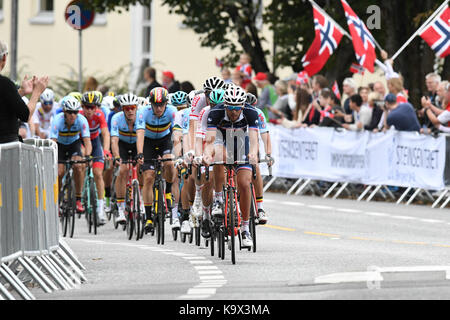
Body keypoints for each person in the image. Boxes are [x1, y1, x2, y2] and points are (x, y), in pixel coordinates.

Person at [203, 85, 259, 248]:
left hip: (241, 141)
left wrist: (254, 154)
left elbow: (254, 139)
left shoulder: (250, 112)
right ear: (225, 105)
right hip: (222, 139)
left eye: (237, 108)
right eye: (230, 108)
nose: (234, 112)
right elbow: (211, 140)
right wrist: (207, 154)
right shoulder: (215, 113)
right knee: (219, 157)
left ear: (242, 106)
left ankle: (245, 228)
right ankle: (219, 199)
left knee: (243, 183)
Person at [136, 87, 177, 232]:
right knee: (148, 177)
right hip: (148, 142)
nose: (159, 108)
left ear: (166, 103)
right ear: (151, 104)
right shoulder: (143, 112)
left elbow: (176, 133)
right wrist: (140, 153)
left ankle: (168, 191)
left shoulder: (172, 111)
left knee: (170, 163)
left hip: (165, 140)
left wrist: (178, 151)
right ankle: (148, 217)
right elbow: (140, 132)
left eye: (161, 105)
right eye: (156, 105)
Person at [0, 40, 48, 143]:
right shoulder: (5, 84)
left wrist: (21, 92)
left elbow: (4, 100)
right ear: (4, 57)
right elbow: (25, 115)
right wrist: (36, 92)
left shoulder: (6, 86)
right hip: (5, 150)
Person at [50, 96, 92, 213]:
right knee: (59, 172)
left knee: (79, 167)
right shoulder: (57, 120)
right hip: (60, 146)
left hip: (74, 144)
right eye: (70, 112)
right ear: (64, 112)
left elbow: (87, 141)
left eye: (75, 112)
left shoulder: (82, 120)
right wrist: (53, 158)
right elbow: (53, 142)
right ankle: (57, 201)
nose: (72, 115)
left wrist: (87, 156)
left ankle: (78, 199)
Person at [80, 92, 111, 225]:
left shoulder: (99, 115)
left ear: (96, 107)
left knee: (98, 174)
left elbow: (106, 134)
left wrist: (105, 151)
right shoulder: (79, 115)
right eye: (87, 107)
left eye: (93, 107)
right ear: (83, 107)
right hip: (80, 141)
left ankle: (100, 209)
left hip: (95, 141)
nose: (90, 110)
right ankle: (79, 194)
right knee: (80, 165)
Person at [110, 93, 140, 224]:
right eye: (127, 108)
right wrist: (116, 156)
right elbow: (114, 140)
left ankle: (141, 201)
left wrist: (140, 154)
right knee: (122, 170)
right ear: (122, 109)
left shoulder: (140, 118)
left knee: (142, 169)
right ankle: (121, 208)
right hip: (122, 145)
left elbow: (142, 138)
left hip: (136, 144)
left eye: (132, 107)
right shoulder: (116, 118)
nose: (130, 111)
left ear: (136, 108)